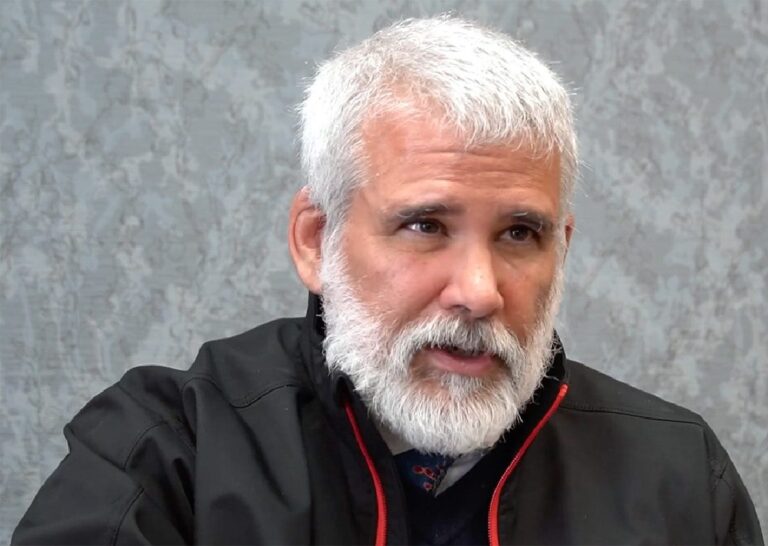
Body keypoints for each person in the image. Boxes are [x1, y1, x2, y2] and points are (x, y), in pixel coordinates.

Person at [13, 16, 763, 546]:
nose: (479, 291)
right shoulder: (168, 454)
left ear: (560, 249)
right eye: (425, 225)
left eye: (519, 234)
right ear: (316, 240)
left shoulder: (678, 484)